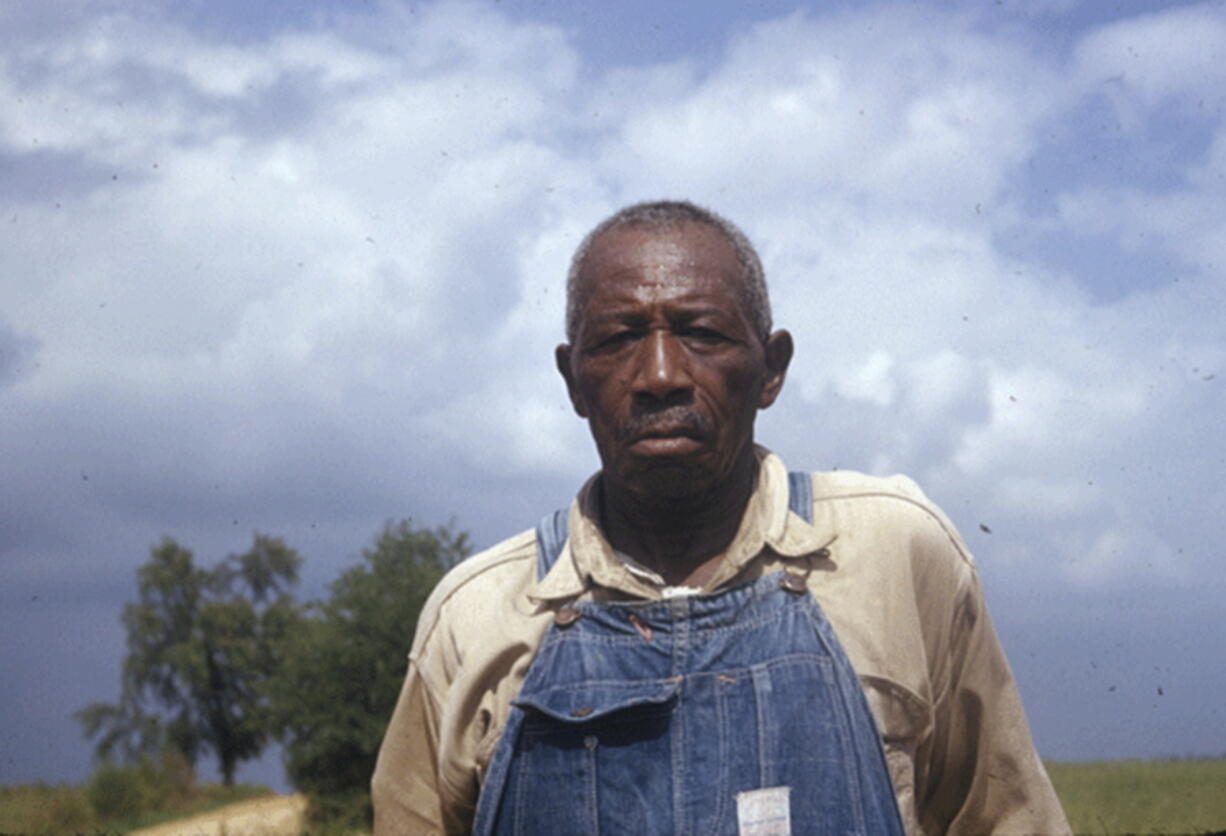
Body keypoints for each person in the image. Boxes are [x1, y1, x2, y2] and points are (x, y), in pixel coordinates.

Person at [372, 201, 1069, 835]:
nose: (660, 375)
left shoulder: (895, 554)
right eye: (618, 340)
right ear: (571, 379)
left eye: (701, 333)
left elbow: (1005, 817)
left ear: (772, 368)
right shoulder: (474, 619)